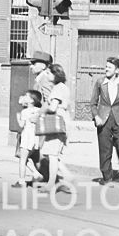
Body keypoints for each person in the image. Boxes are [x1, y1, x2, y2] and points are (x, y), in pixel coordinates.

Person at [91, 55, 119, 187]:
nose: (106, 69)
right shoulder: (99, 82)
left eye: (109, 67)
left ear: (117, 70)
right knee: (105, 149)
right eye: (106, 66)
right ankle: (107, 178)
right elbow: (93, 103)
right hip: (103, 120)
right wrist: (96, 116)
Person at [40, 63, 75, 191]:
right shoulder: (64, 87)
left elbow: (53, 107)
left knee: (52, 155)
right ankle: (68, 176)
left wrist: (41, 111)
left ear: (55, 75)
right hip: (63, 122)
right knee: (54, 153)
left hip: (55, 123)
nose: (47, 75)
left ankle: (51, 184)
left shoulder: (56, 89)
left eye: (49, 73)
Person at [14, 89, 44, 187]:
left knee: (22, 160)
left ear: (32, 100)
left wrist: (18, 117)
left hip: (26, 137)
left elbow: (21, 125)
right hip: (35, 138)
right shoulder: (39, 111)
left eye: (27, 96)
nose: (24, 97)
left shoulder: (25, 112)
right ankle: (35, 173)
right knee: (25, 158)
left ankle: (22, 181)